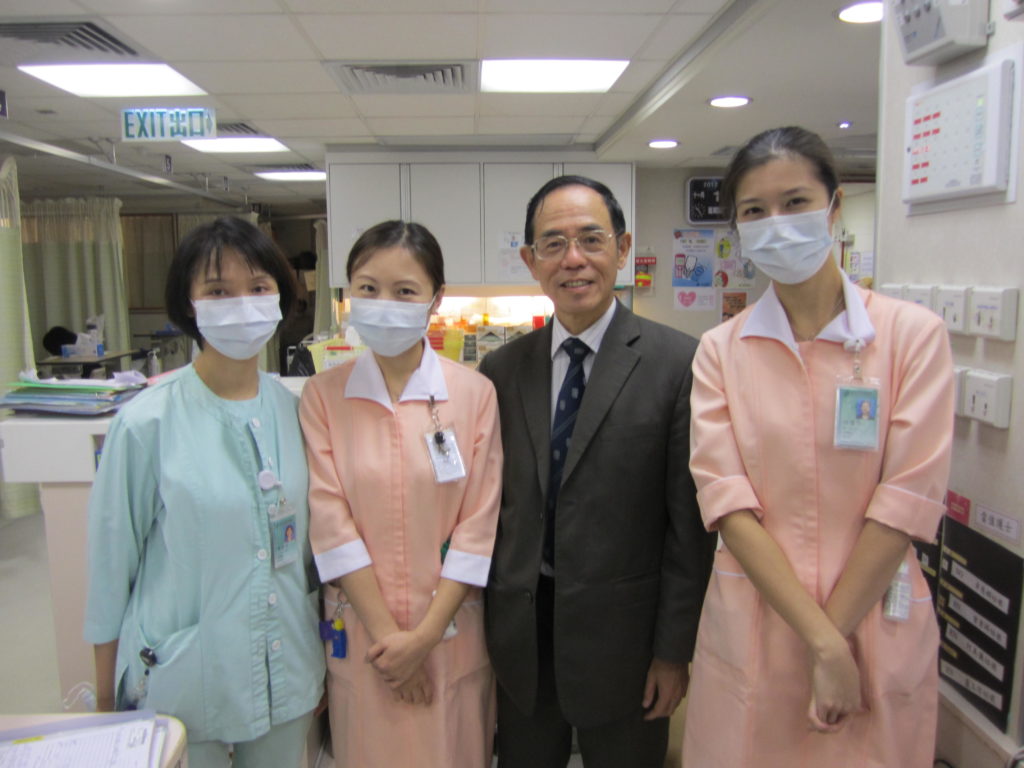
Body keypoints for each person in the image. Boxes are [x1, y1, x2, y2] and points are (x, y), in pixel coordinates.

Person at [682, 126, 954, 768]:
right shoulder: (720, 351)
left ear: (833, 206)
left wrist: (837, 636)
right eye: (754, 210)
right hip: (759, 614)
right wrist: (824, 644)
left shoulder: (911, 337)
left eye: (795, 202)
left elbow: (905, 502)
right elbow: (728, 506)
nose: (776, 224)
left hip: (874, 615)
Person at [477, 176, 715, 768]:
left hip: (627, 645)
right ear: (530, 260)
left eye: (591, 239)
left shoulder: (678, 364)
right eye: (553, 244)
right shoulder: (501, 370)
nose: (573, 259)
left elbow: (688, 531)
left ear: (622, 247)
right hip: (523, 639)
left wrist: (673, 651)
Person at [83, 217, 325, 768]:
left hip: (286, 669)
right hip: (185, 676)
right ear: (189, 305)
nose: (242, 304)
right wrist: (103, 701)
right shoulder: (147, 422)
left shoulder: (296, 413)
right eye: (218, 291)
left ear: (280, 298)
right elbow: (109, 569)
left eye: (258, 287)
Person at [300, 220, 502, 767]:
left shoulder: (474, 394)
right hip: (368, 639)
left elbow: (478, 526)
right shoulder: (323, 396)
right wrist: (391, 643)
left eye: (405, 291)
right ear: (348, 293)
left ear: (436, 299)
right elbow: (330, 523)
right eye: (368, 288)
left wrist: (423, 640)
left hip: (448, 636)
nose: (384, 304)